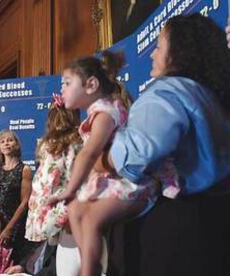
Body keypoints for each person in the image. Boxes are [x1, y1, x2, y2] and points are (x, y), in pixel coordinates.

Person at [100, 14, 230, 276]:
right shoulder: (210, 98)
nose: (152, 55)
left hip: (175, 238)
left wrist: (102, 159)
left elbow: (133, 156)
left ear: (178, 52)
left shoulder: (168, 93)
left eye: (158, 47)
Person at [50, 51, 179, 276]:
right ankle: (89, 262)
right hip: (109, 182)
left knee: (90, 218)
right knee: (76, 208)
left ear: (91, 85)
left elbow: (90, 154)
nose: (62, 88)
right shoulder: (95, 114)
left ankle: (91, 269)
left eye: (67, 83)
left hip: (130, 183)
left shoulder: (105, 113)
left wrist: (70, 189)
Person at [24, 96, 82, 275]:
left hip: (51, 214)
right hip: (69, 213)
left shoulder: (46, 145)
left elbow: (42, 186)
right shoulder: (78, 142)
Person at [0, 130, 32, 263]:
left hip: (14, 227)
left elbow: (25, 202)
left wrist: (9, 229)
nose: (6, 143)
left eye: (10, 140)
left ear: (16, 144)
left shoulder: (25, 169)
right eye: (2, 141)